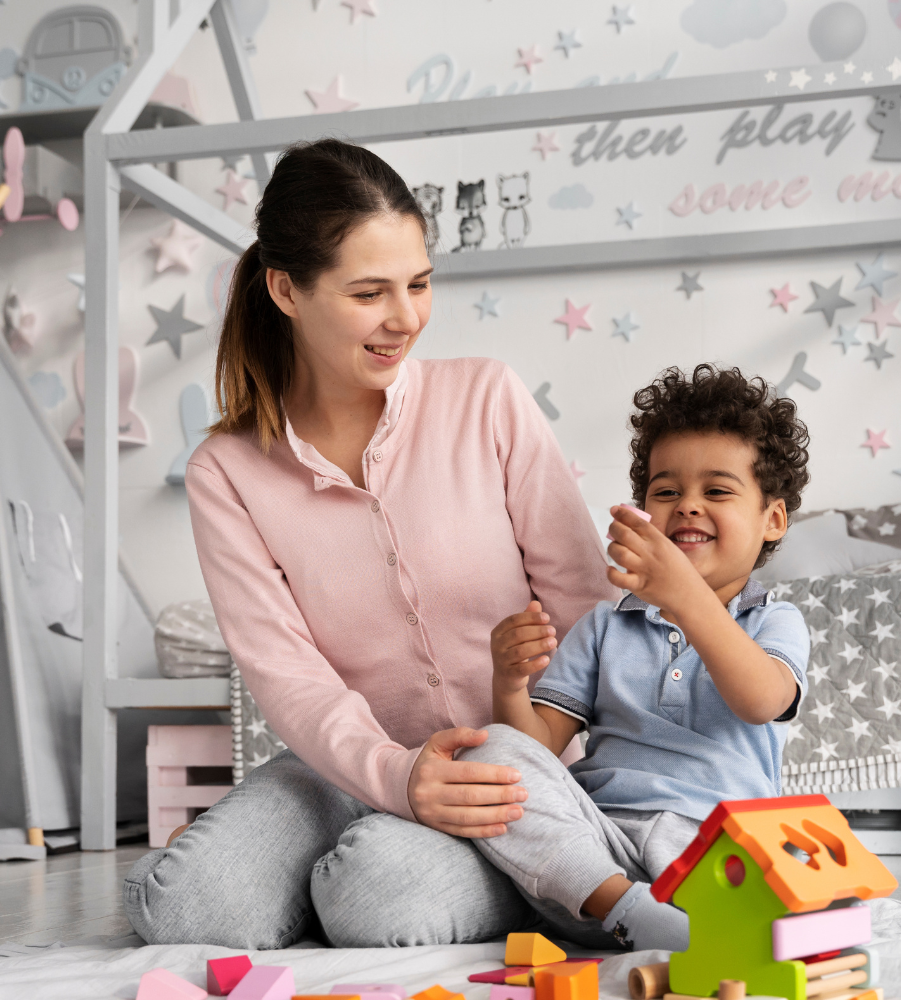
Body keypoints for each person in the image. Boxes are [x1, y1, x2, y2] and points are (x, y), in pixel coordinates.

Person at [122, 138, 615, 948]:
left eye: (419, 284)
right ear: (286, 289)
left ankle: (497, 869)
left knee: (375, 897)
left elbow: (588, 612)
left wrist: (545, 758)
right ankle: (358, 866)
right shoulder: (228, 470)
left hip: (514, 770)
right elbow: (290, 678)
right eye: (369, 292)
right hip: (344, 769)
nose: (406, 318)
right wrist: (395, 778)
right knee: (185, 909)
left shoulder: (485, 399)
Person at [465, 364, 811, 950]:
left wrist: (686, 596)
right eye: (667, 490)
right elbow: (533, 748)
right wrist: (507, 683)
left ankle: (668, 921)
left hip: (712, 848)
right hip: (600, 850)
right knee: (493, 754)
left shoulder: (774, 620)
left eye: (718, 491)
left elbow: (761, 700)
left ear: (772, 519)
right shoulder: (606, 625)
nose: (688, 507)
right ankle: (623, 910)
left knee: (785, 877)